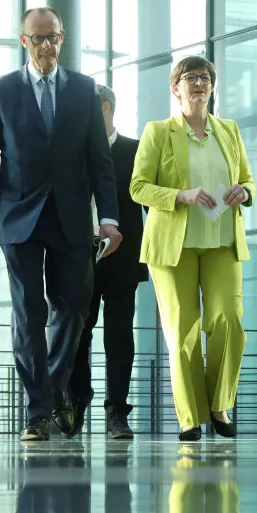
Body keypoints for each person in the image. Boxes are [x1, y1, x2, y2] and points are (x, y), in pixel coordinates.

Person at [0, 6, 123, 442]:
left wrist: (108, 218)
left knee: (74, 309)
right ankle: (37, 412)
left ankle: (52, 391)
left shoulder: (84, 90)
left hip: (71, 219)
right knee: (28, 313)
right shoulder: (0, 90)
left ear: (62, 37)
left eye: (53, 36)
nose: (47, 45)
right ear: (24, 41)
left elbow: (100, 161)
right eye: (38, 38)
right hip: (19, 218)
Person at [130, 56, 256, 441]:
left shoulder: (229, 130)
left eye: (205, 78)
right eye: (190, 78)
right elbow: (138, 187)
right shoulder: (158, 132)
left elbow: (248, 180)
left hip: (222, 243)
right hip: (174, 247)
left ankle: (219, 405)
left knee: (228, 321)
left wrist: (244, 191)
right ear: (176, 87)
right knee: (183, 330)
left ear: (212, 87)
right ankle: (190, 418)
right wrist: (181, 195)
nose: (199, 83)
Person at [67, 84, 147, 440]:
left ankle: (117, 412)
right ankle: (77, 400)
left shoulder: (137, 150)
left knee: (119, 338)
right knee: (76, 335)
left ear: (103, 107)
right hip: (79, 257)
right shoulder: (72, 152)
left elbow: (151, 203)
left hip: (124, 257)